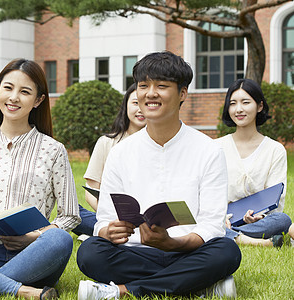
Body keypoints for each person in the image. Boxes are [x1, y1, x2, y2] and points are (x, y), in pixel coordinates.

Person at [76, 51, 242, 299]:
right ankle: (199, 285)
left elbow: (211, 225)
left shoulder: (208, 151)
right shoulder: (121, 153)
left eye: (161, 86)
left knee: (227, 251)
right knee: (90, 252)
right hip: (135, 251)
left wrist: (173, 243)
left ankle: (124, 290)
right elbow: (104, 218)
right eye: (144, 86)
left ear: (182, 93)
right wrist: (106, 231)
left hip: (188, 250)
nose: (150, 93)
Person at [0, 58, 80, 299]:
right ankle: (19, 290)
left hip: (32, 257)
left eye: (25, 92)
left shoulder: (53, 150)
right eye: (8, 88)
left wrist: (35, 237)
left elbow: (70, 216)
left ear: (38, 100)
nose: (14, 98)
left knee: (59, 239)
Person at [215, 78, 291, 247]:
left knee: (282, 220)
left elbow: (276, 200)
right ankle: (260, 242)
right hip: (222, 217)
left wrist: (259, 216)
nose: (239, 109)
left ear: (260, 106)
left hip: (258, 220)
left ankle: (230, 236)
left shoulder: (275, 150)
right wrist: (221, 218)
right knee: (207, 224)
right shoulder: (216, 147)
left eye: (246, 102)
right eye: (233, 103)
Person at [73, 83, 146, 237]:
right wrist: (108, 218)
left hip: (149, 221)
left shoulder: (160, 145)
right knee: (74, 213)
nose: (140, 109)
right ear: (125, 106)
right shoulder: (106, 142)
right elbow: (91, 192)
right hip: (112, 218)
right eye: (135, 103)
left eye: (145, 104)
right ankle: (106, 231)